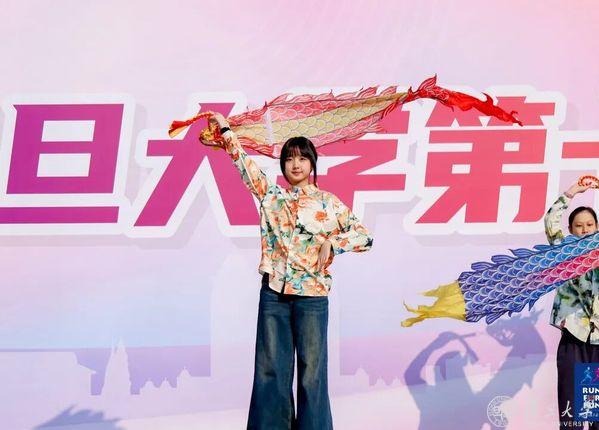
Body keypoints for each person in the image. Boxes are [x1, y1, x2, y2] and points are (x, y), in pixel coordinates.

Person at [200, 112, 373, 430]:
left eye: (302, 158)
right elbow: (243, 164)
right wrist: (225, 130)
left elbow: (365, 237)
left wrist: (333, 242)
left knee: (312, 374)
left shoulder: (328, 203)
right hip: (274, 294)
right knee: (270, 370)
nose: (296, 164)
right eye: (290, 159)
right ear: (282, 165)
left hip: (312, 297)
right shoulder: (271, 196)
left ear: (312, 164)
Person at [544, 180, 598, 429]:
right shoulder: (564, 252)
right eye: (579, 226)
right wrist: (572, 192)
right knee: (573, 413)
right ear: (571, 229)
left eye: (590, 224)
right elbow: (550, 222)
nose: (585, 230)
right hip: (573, 338)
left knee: (595, 412)